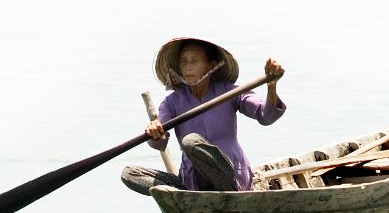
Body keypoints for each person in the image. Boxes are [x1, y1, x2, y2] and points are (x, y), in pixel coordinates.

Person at [121, 37, 286, 195]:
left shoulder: (231, 92)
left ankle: (222, 189)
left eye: (194, 61)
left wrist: (271, 86)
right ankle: (181, 193)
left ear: (210, 65)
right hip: (193, 182)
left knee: (190, 141)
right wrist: (155, 132)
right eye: (183, 61)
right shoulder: (172, 102)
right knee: (129, 173)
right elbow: (159, 143)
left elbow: (266, 116)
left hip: (230, 177)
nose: (188, 67)